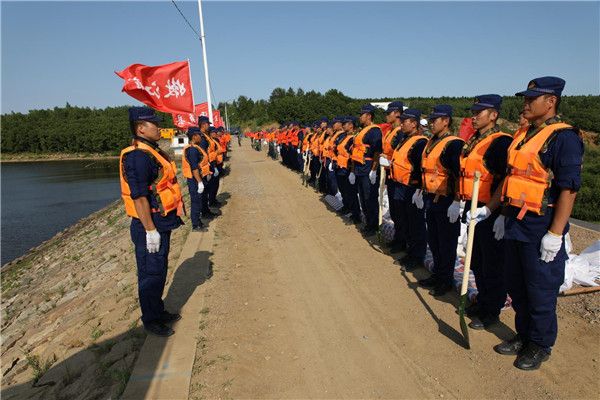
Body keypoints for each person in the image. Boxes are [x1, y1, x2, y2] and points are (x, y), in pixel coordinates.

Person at [493, 77, 583, 370]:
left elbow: (568, 189)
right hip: (517, 225)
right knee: (516, 285)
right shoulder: (525, 134)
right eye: (526, 98)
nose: (525, 103)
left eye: (532, 99)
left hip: (541, 227)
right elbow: (513, 178)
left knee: (540, 290)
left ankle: (541, 345)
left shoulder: (564, 138)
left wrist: (555, 234)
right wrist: (502, 215)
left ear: (551, 102)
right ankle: (524, 335)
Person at [119, 107, 183, 337]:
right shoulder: (138, 156)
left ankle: (158, 310)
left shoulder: (150, 150)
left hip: (160, 221)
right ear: (140, 128)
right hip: (149, 224)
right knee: (150, 273)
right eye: (154, 124)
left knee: (159, 270)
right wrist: (150, 230)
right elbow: (139, 196)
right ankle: (151, 319)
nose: (159, 128)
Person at [458, 95, 512, 330]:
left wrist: (498, 213)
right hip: (474, 210)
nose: (474, 116)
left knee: (492, 262)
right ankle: (483, 300)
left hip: (490, 212)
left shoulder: (500, 143)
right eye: (473, 111)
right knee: (477, 260)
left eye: (479, 112)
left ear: (493, 116)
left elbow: (507, 180)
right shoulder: (474, 140)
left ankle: (492, 309)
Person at [415, 105, 464, 296]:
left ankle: (445, 279)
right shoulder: (432, 141)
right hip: (431, 198)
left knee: (446, 242)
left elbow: (460, 175)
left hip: (446, 201)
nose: (432, 123)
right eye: (431, 120)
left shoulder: (453, 144)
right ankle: (438, 273)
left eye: (436, 120)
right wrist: (420, 191)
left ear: (446, 121)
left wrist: (456, 201)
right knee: (434, 240)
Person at [390, 108, 428, 271]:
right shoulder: (404, 138)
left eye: (404, 121)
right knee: (403, 219)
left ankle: (417, 255)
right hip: (400, 185)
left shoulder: (419, 142)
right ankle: (409, 250)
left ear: (414, 123)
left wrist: (419, 190)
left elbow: (421, 168)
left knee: (415, 223)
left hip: (411, 187)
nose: (401, 123)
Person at [350, 104, 383, 235]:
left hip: (368, 168)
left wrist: (374, 170)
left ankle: (373, 225)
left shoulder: (374, 131)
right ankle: (369, 222)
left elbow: (377, 152)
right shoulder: (363, 130)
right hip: (360, 169)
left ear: (369, 116)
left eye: (362, 115)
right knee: (363, 197)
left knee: (370, 198)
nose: (360, 117)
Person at [379, 101, 406, 252]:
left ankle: (402, 241)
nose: (386, 116)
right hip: (391, 173)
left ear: (397, 114)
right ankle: (398, 238)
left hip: (400, 176)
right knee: (395, 211)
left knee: (401, 212)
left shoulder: (400, 132)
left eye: (389, 113)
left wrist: (388, 161)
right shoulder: (390, 131)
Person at [182, 126, 212, 232]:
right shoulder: (192, 150)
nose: (201, 137)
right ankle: (196, 225)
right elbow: (194, 167)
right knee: (196, 201)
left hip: (199, 178)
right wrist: (199, 182)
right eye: (200, 135)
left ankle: (198, 222)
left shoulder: (196, 148)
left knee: (199, 200)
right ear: (194, 136)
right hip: (195, 180)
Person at [197, 116, 218, 219]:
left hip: (208, 167)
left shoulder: (205, 136)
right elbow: (202, 155)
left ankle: (206, 210)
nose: (209, 126)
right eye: (208, 124)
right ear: (203, 124)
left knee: (207, 191)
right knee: (204, 193)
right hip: (204, 169)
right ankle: (204, 212)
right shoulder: (201, 138)